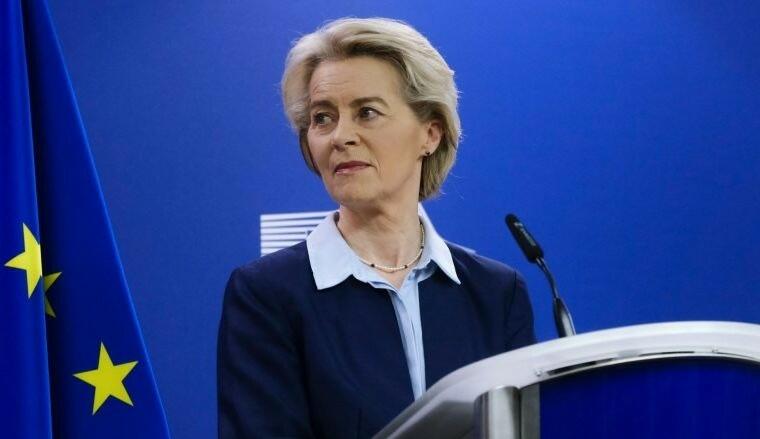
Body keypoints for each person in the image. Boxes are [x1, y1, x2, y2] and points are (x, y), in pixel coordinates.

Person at [217, 17, 536, 439]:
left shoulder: (496, 294)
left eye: (366, 113)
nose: (340, 136)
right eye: (322, 118)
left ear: (430, 133)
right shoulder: (268, 295)